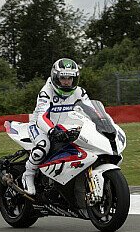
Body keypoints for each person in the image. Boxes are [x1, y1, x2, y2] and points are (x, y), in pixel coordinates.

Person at [21, 58, 92, 195]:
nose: (66, 82)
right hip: (40, 127)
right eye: (63, 78)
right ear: (55, 77)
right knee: (43, 146)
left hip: (64, 127)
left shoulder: (79, 92)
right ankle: (28, 174)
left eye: (70, 78)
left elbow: (91, 110)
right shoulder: (46, 91)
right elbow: (41, 116)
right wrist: (52, 131)